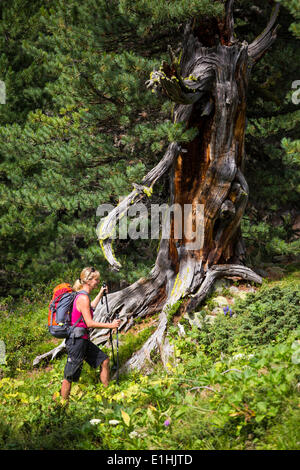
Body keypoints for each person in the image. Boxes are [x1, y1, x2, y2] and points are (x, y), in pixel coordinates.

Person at [60, 267, 120, 401]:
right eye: (96, 280)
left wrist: (100, 293)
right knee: (69, 376)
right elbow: (89, 323)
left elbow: (90, 308)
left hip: (82, 340)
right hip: (77, 341)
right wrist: (110, 325)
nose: (98, 282)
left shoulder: (82, 296)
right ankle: (62, 406)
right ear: (88, 281)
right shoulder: (82, 298)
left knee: (104, 360)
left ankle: (107, 395)